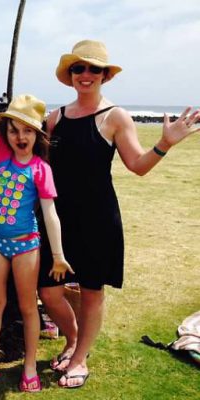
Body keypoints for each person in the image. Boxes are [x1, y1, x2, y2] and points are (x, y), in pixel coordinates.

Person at [38, 39, 200, 389]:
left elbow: (138, 166)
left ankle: (80, 358)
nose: (86, 74)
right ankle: (74, 339)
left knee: (93, 290)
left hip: (97, 218)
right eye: (79, 68)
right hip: (58, 219)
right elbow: (45, 169)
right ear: (70, 74)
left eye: (94, 69)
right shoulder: (56, 117)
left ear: (104, 76)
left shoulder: (116, 117)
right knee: (50, 291)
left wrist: (166, 143)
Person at [0, 53, 72, 392]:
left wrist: (57, 255)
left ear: (36, 134)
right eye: (14, 129)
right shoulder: (0, 154)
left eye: (27, 131)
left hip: (27, 246)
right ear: (6, 130)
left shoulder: (41, 169)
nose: (20, 137)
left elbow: (50, 214)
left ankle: (29, 368)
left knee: (28, 307)